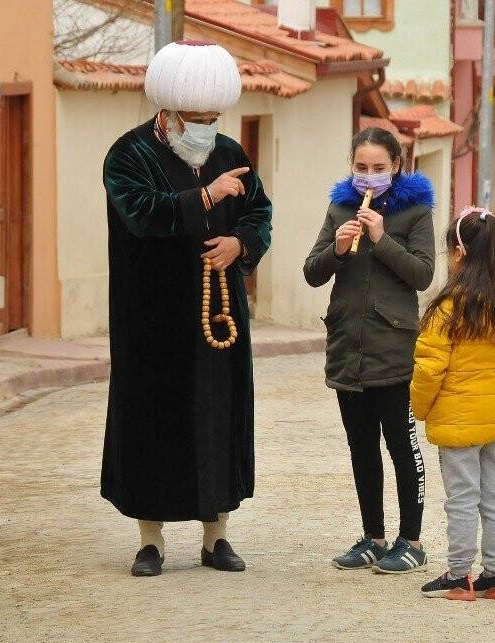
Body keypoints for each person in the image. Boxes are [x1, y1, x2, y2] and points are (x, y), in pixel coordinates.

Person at [101, 41, 272, 577]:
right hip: (150, 315)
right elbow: (141, 215)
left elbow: (259, 211)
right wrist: (205, 197)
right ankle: (149, 540)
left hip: (217, 315)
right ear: (168, 114)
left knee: (218, 414)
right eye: (195, 118)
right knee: (153, 419)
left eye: (212, 118)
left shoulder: (228, 153)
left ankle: (216, 536)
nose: (205, 127)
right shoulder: (128, 155)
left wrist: (240, 246)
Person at [303, 127, 436, 574]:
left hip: (393, 345)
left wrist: (381, 239)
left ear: (396, 166)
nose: (369, 176)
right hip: (347, 344)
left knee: (401, 444)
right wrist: (339, 250)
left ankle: (411, 540)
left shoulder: (415, 211)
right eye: (361, 168)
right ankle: (373, 537)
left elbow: (421, 274)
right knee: (361, 444)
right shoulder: (340, 206)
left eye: (379, 168)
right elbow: (313, 272)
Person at [412, 207, 495, 602]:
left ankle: (458, 576)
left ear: (459, 253)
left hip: (458, 421)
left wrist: (422, 409)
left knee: (462, 499)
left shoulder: (448, 308)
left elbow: (430, 369)